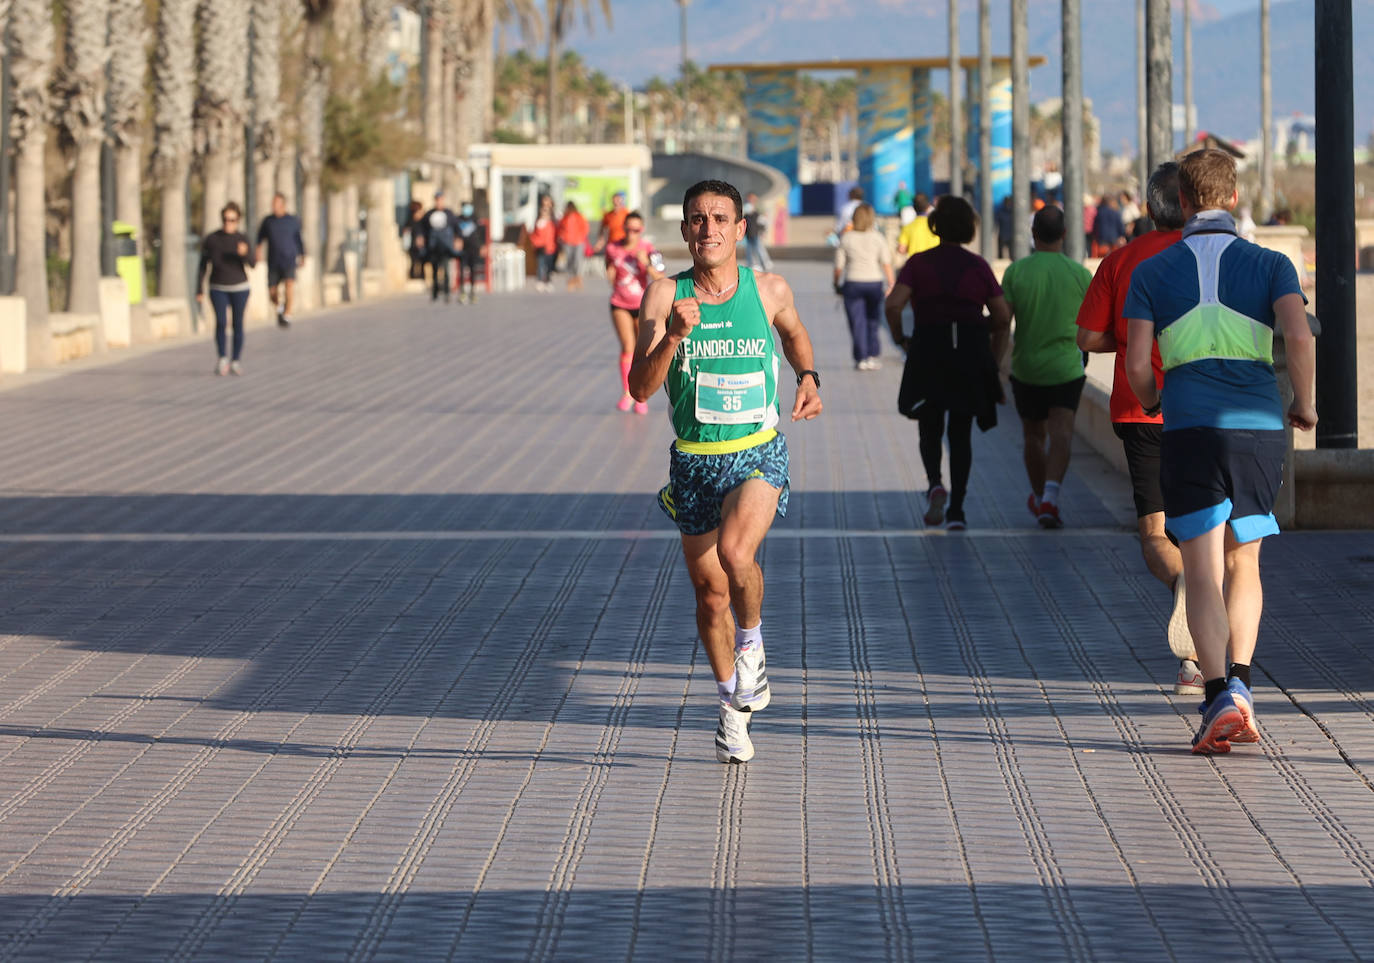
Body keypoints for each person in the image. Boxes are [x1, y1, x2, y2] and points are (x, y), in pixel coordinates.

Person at [1123, 148, 1316, 754]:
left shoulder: (1151, 273)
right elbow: (1297, 334)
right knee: (1246, 563)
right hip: (1258, 425)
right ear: (1232, 198)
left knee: (1201, 569)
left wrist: (1157, 399)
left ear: (1181, 202)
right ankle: (1242, 684)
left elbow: (1133, 365)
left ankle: (1214, 696)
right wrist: (1304, 403)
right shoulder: (1271, 264)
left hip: (1188, 429)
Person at [628, 178, 822, 764]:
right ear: (685, 229)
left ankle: (754, 646)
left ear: (740, 229)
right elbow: (639, 388)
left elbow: (793, 333)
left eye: (720, 219)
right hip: (693, 459)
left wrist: (809, 377)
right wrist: (675, 339)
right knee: (711, 596)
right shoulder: (664, 297)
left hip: (757, 449)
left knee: (738, 556)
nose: (708, 229)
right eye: (697, 219)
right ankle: (731, 709)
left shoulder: (769, 288)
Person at [1076, 161, 1201, 695]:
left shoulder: (1122, 260)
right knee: (1207, 532)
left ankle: (1183, 586)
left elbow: (1087, 337)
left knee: (1155, 531)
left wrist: (1128, 344)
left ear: (1147, 208)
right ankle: (1201, 666)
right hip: (1205, 411)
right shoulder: (1209, 257)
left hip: (1140, 411)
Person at [886, 195, 1011, 531]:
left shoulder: (919, 264)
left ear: (936, 225)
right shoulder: (978, 266)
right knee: (961, 432)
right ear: (969, 227)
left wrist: (901, 338)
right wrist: (993, 358)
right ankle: (957, 510)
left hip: (928, 346)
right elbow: (1001, 316)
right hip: (969, 349)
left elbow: (894, 305)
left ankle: (934, 484)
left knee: (929, 423)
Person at [999, 206, 1092, 528]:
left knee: (1033, 436)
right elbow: (1092, 327)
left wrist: (995, 365)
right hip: (1067, 368)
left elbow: (1002, 321)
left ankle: (1040, 498)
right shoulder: (1080, 274)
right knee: (1062, 433)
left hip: (1027, 369)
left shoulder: (1016, 272)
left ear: (1033, 234)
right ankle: (1051, 497)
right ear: (1064, 235)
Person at [606, 210, 665, 414]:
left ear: (642, 230)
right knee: (627, 346)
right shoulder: (613, 248)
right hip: (620, 302)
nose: (631, 233)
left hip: (642, 305)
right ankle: (627, 393)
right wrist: (611, 274)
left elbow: (661, 277)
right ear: (623, 229)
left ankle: (641, 395)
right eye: (628, 229)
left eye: (636, 230)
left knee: (642, 351)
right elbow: (609, 269)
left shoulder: (649, 249)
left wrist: (646, 264)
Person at [196, 201, 256, 376]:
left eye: (232, 220)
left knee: (238, 324)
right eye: (225, 219)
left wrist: (245, 254)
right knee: (221, 322)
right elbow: (202, 265)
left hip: (240, 287)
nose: (228, 223)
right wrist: (198, 289)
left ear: (237, 220)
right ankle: (222, 358)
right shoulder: (212, 239)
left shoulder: (242, 238)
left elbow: (252, 263)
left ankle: (236, 360)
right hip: (218, 287)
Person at [834, 202, 895, 371]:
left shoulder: (847, 238)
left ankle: (861, 357)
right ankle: (873, 354)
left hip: (853, 282)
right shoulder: (878, 238)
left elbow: (839, 266)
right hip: (874, 282)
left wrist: (836, 284)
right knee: (873, 320)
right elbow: (886, 263)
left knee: (857, 322)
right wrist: (891, 283)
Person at [255, 192, 304, 328]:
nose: (273, 206)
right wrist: (257, 252)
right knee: (272, 292)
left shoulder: (292, 221)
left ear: (282, 204)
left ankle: (287, 314)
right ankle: (280, 306)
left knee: (289, 285)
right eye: (273, 203)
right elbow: (259, 239)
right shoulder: (268, 221)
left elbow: (299, 240)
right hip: (273, 261)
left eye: (276, 203)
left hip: (289, 259)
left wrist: (302, 255)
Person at [417, 190, 459, 302]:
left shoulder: (449, 213)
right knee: (434, 270)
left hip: (445, 246)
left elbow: (456, 227)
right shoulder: (429, 214)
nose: (439, 202)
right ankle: (435, 292)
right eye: (437, 200)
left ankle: (447, 292)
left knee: (445, 269)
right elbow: (421, 227)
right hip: (433, 246)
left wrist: (457, 239)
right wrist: (420, 237)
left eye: (440, 200)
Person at [454, 201, 486, 304]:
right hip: (463, 249)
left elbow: (481, 234)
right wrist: (456, 240)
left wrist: (482, 246)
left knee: (473, 270)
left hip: (474, 248)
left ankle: (472, 292)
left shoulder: (475, 219)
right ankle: (462, 292)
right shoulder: (458, 220)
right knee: (462, 270)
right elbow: (455, 233)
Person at [557, 200, 589, 291]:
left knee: (578, 260)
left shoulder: (578, 216)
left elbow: (585, 227)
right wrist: (561, 236)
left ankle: (578, 278)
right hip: (567, 242)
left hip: (578, 241)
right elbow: (560, 228)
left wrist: (581, 236)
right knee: (570, 261)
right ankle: (571, 279)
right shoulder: (565, 217)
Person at [530, 195, 558, 293]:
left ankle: (548, 281)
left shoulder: (554, 218)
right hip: (540, 245)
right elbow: (535, 232)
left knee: (549, 265)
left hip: (551, 246)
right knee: (541, 264)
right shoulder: (539, 219)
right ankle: (540, 280)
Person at [897, 192, 938, 256]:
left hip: (916, 263)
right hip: (934, 262)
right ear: (928, 206)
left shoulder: (907, 227)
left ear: (914, 208)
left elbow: (901, 249)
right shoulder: (936, 225)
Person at [742, 192, 773, 272]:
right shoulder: (746, 208)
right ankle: (752, 264)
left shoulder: (758, 208)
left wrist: (763, 231)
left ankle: (764, 263)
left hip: (755, 232)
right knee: (750, 250)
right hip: (749, 232)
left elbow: (763, 220)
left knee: (759, 248)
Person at [402, 200, 426, 280]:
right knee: (413, 261)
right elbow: (406, 231)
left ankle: (422, 276)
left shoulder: (423, 220)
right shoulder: (410, 220)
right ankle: (413, 276)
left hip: (422, 245)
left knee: (422, 261)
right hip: (412, 245)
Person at [995, 195, 1014, 259]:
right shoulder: (1001, 211)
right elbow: (996, 221)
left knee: (1012, 255)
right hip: (1003, 235)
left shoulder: (1013, 212)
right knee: (1001, 255)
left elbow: (996, 221)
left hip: (1008, 236)